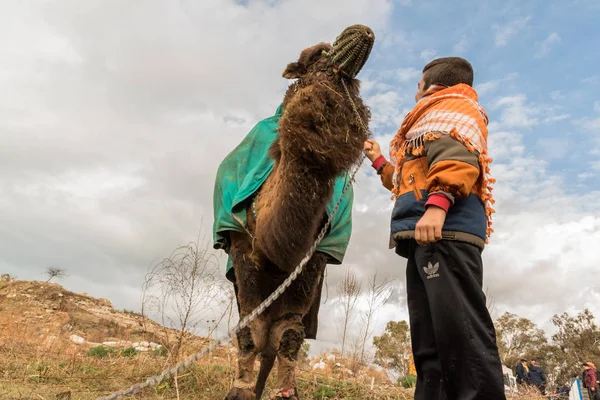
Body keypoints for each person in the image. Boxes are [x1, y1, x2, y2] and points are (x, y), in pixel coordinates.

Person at [363, 57, 506, 399]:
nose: (415, 91)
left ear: (430, 85)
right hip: (426, 236)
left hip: (446, 234)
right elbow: (408, 181)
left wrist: (438, 205)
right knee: (431, 344)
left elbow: (456, 158)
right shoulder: (428, 121)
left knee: (461, 336)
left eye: (417, 84)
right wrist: (379, 160)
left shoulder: (450, 109)